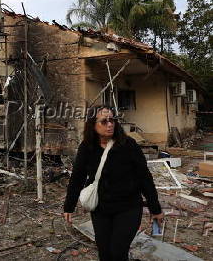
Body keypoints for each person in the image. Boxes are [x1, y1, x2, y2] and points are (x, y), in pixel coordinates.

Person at [63, 105, 164, 261]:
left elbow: (145, 177)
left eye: (112, 120)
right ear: (92, 124)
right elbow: (77, 177)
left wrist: (155, 208)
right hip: (101, 209)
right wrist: (69, 206)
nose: (110, 124)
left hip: (128, 207)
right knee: (104, 252)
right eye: (104, 121)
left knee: (118, 252)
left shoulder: (128, 145)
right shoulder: (87, 147)